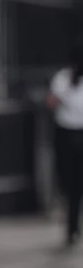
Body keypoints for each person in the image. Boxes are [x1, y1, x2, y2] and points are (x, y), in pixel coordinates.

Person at [48, 39, 83, 247]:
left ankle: (72, 224)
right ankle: (72, 223)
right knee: (75, 184)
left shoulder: (62, 78)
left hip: (67, 135)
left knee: (71, 184)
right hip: (71, 134)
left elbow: (51, 102)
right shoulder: (63, 79)